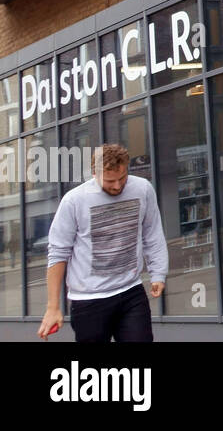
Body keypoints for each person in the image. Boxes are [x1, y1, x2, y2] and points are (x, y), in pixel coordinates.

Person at [37, 143, 167, 342]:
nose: (117, 186)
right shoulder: (74, 201)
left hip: (131, 291)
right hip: (89, 301)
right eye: (109, 181)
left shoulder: (142, 189)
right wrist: (53, 307)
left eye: (122, 178)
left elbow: (152, 233)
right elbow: (58, 253)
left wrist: (158, 273)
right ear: (94, 174)